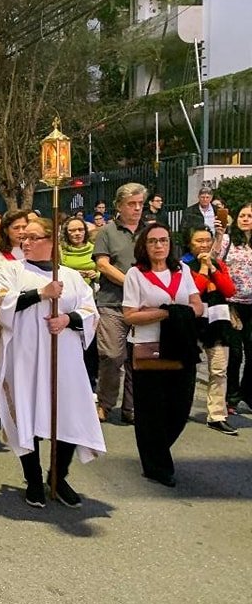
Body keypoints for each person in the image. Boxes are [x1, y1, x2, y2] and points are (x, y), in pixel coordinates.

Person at [0, 218, 105, 508]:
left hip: (64, 359)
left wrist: (68, 319)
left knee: (67, 415)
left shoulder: (71, 276)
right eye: (23, 238)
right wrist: (41, 294)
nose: (25, 242)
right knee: (27, 415)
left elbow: (90, 310)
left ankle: (58, 476)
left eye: (33, 237)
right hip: (25, 358)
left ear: (51, 241)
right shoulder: (12, 271)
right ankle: (33, 479)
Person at [123, 223, 202, 487]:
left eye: (164, 240)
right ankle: (156, 464)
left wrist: (163, 311)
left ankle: (155, 449)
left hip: (181, 344)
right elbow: (130, 315)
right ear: (144, 246)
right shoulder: (136, 274)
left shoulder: (182, 270)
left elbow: (197, 305)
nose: (159, 245)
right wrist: (168, 312)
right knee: (151, 409)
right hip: (149, 346)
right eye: (153, 241)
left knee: (180, 407)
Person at [92, 183, 146, 424]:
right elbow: (102, 265)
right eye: (131, 204)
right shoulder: (108, 232)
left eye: (140, 204)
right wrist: (131, 283)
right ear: (119, 206)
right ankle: (105, 403)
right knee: (112, 355)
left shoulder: (149, 231)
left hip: (144, 304)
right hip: (113, 302)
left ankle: (132, 407)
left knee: (139, 357)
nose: (137, 208)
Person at [184, 227, 239, 436]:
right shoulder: (184, 267)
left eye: (207, 240)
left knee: (219, 370)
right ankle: (182, 408)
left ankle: (217, 415)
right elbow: (194, 292)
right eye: (199, 241)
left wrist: (213, 268)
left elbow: (229, 290)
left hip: (218, 323)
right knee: (188, 370)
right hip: (193, 324)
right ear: (190, 243)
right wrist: (203, 269)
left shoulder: (219, 264)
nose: (204, 245)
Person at [60, 217, 99, 391]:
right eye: (72, 230)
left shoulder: (95, 249)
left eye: (80, 230)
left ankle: (91, 381)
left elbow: (101, 269)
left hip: (91, 299)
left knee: (91, 343)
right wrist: (75, 274)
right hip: (69, 301)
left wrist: (95, 274)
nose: (77, 233)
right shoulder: (61, 251)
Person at [225, 203, 252, 414]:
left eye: (250, 216)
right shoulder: (228, 241)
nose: (245, 219)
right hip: (231, 304)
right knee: (235, 354)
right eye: (242, 215)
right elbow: (215, 261)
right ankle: (231, 397)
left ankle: (248, 393)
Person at [0, 210, 28, 274]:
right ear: (5, 230)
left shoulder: (30, 252)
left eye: (24, 227)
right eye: (16, 228)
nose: (21, 231)